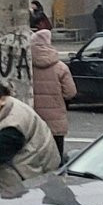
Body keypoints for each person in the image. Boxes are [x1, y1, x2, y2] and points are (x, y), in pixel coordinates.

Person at [30, 29, 77, 157]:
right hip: (56, 119)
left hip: (33, 119)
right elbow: (70, 92)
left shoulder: (26, 65)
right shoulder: (60, 67)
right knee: (56, 156)